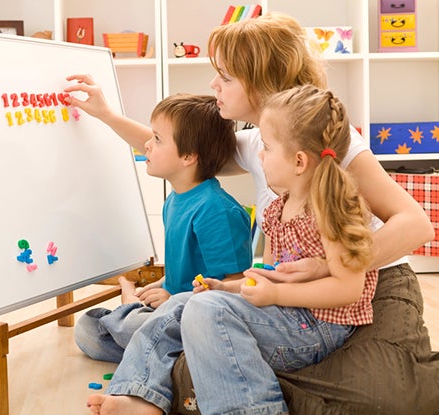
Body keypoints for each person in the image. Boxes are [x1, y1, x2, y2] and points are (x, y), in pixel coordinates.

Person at [66, 11, 437, 415]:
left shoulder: (326, 143)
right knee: (194, 321)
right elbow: (176, 149)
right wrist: (107, 115)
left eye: (225, 77)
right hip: (291, 301)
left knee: (384, 396)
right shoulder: (261, 143)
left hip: (369, 282)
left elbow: (415, 225)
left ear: (262, 83)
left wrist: (327, 266)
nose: (213, 85)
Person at [86, 83, 381, 414]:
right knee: (188, 303)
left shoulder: (333, 208)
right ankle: (139, 395)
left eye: (266, 147)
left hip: (316, 328)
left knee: (202, 311)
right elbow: (266, 275)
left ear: (299, 161)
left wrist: (275, 294)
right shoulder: (278, 208)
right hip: (284, 315)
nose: (259, 155)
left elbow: (348, 288)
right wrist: (228, 288)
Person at [74, 94, 253, 363]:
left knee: (125, 327)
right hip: (166, 312)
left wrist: (172, 298)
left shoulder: (217, 211)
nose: (147, 144)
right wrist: (160, 285)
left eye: (157, 139)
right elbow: (183, 270)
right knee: (87, 329)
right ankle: (158, 349)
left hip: (198, 317)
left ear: (188, 156)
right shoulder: (174, 200)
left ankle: (146, 335)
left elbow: (232, 286)